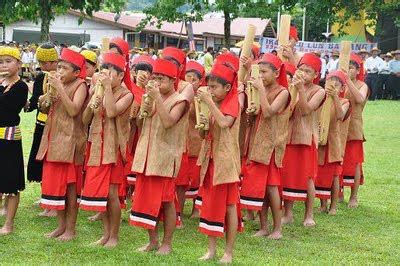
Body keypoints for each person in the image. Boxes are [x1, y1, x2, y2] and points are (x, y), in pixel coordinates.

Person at [129, 59, 188, 255]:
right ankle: (153, 241)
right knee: (146, 200)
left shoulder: (180, 100)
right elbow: (140, 123)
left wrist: (156, 98)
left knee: (166, 201)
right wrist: (146, 104)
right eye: (155, 78)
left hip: (165, 157)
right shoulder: (152, 97)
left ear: (173, 80)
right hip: (146, 156)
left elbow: (169, 122)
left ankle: (167, 243)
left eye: (161, 79)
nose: (157, 82)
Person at [80, 52, 133, 247]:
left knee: (112, 194)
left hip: (114, 148)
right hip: (96, 145)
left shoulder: (128, 95)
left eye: (110, 74)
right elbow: (85, 121)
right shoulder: (99, 90)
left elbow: (111, 112)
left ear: (120, 76)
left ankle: (114, 236)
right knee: (101, 193)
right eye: (104, 73)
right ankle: (104, 234)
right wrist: (93, 101)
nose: (105, 77)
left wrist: (106, 90)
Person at [36, 48, 88, 241]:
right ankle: (60, 227)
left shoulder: (81, 85)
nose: (60, 71)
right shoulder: (57, 84)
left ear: (76, 72)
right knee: (56, 188)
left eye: (64, 68)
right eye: (59, 67)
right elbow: (45, 107)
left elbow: (74, 110)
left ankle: (71, 230)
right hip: (53, 140)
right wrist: (46, 99)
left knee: (71, 190)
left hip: (71, 142)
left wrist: (58, 88)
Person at [196, 56, 242, 263]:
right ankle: (212, 250)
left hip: (226, 162)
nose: (211, 91)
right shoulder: (214, 102)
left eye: (214, 87)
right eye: (209, 87)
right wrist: (203, 127)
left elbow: (224, 123)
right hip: (210, 160)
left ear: (228, 87)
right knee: (211, 205)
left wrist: (208, 103)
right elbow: (205, 135)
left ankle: (229, 252)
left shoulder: (232, 102)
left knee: (230, 206)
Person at [240, 53, 290, 239]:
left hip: (270, 145)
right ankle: (263, 227)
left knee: (271, 188)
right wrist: (250, 111)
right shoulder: (259, 88)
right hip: (255, 142)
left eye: (264, 72)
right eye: (258, 71)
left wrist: (260, 89)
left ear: (276, 73)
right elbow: (256, 113)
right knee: (259, 187)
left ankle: (277, 229)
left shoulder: (283, 92)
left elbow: (269, 112)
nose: (260, 76)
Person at [281, 53, 325, 227]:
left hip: (306, 137)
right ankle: (288, 213)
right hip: (288, 136)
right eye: (301, 69)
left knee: (307, 178)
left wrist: (299, 90)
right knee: (288, 176)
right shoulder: (291, 86)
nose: (303, 74)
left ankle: (309, 215)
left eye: (308, 71)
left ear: (315, 75)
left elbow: (306, 110)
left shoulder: (319, 91)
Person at [25, 43, 59, 217]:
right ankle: (44, 196)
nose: (44, 66)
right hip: (40, 124)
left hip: (56, 127)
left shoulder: (61, 78)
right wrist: (26, 105)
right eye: (41, 62)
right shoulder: (39, 78)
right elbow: (33, 101)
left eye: (48, 63)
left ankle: (53, 201)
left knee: (51, 163)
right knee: (39, 162)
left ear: (55, 61)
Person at [162, 46, 194, 228]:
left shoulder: (186, 86)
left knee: (179, 181)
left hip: (179, 138)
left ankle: (178, 214)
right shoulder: (157, 83)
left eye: (174, 63)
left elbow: (180, 103)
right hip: (160, 139)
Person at [0, 46, 29, 235]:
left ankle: (9, 223)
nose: (4, 65)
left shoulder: (21, 86)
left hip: (9, 138)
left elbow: (8, 107)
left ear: (19, 64)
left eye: (9, 61)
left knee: (11, 181)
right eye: (1, 62)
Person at [314, 70, 350, 215]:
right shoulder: (321, 100)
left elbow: (341, 115)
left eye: (336, 86)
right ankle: (323, 204)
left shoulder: (344, 101)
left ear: (342, 89)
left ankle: (333, 206)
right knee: (321, 173)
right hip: (321, 139)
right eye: (330, 84)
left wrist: (335, 97)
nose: (332, 88)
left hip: (334, 141)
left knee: (334, 175)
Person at [341, 53, 369, 208]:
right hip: (339, 128)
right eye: (347, 68)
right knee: (338, 160)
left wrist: (348, 81)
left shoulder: (362, 85)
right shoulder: (342, 83)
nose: (348, 71)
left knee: (355, 163)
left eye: (351, 68)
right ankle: (338, 193)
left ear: (358, 70)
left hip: (354, 128)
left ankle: (354, 196)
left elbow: (359, 99)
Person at [184, 61, 205, 219]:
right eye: (188, 77)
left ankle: (196, 209)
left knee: (197, 177)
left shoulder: (202, 96)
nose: (190, 82)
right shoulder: (181, 93)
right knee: (184, 176)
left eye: (194, 79)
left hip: (197, 141)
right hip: (184, 140)